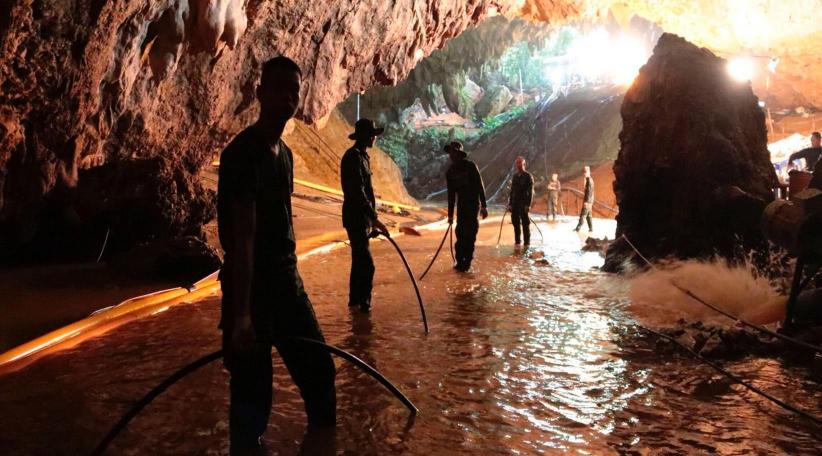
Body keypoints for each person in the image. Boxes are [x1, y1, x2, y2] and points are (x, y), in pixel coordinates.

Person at [217, 56, 336, 454]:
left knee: (320, 373)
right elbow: (244, 237)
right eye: (279, 89)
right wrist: (241, 317)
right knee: (253, 402)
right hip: (251, 289)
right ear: (259, 94)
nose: (288, 97)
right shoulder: (241, 154)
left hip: (287, 283)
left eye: (295, 91)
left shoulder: (284, 155)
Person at [341, 118, 389, 312]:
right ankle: (363, 306)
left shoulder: (362, 156)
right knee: (367, 265)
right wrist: (374, 219)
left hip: (362, 218)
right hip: (355, 217)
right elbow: (358, 191)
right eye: (372, 135)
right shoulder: (352, 157)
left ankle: (355, 303)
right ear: (366, 136)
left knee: (359, 261)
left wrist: (370, 220)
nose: (375, 138)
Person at [446, 141, 488, 271]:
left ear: (459, 154)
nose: (451, 155)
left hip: (473, 205)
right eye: (450, 153)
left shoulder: (471, 166)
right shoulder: (450, 172)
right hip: (462, 206)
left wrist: (484, 206)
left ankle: (467, 262)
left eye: (453, 152)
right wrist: (450, 215)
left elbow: (480, 186)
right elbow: (451, 195)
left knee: (470, 234)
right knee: (460, 234)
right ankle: (460, 262)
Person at [507, 156, 534, 246]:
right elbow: (512, 191)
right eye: (517, 163)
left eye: (520, 163)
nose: (518, 165)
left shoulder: (528, 176)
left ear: (524, 164)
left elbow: (530, 192)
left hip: (523, 203)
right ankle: (517, 242)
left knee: (525, 224)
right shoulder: (515, 177)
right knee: (515, 223)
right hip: (515, 203)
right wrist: (510, 204)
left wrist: (528, 205)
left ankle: (527, 243)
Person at [574, 166, 594, 233]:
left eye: (585, 172)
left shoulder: (589, 181)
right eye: (583, 172)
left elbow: (589, 192)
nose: (584, 174)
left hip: (588, 201)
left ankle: (577, 229)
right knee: (588, 216)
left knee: (583, 215)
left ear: (588, 172)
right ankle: (591, 229)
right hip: (590, 201)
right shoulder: (589, 180)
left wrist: (586, 202)